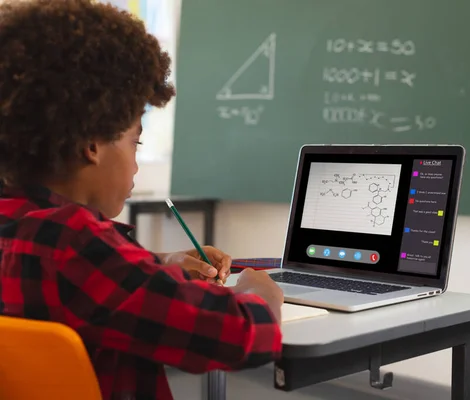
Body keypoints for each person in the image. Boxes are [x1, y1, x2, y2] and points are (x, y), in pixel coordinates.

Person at [0, 1, 283, 399]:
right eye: (136, 141)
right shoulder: (75, 243)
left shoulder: (23, 225)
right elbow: (238, 336)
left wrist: (159, 262)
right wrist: (260, 295)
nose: (135, 164)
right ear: (92, 144)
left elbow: (98, 280)